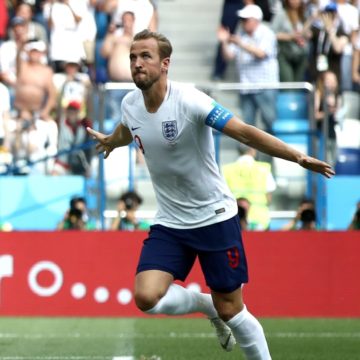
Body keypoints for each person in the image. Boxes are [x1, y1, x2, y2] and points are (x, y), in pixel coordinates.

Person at [87, 30, 334, 359]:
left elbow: (244, 131)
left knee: (233, 309)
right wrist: (111, 141)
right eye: (132, 57)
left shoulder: (191, 101)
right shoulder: (129, 103)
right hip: (171, 222)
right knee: (146, 297)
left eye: (145, 56)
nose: (136, 63)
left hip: (214, 217)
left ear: (165, 64)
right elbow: (127, 128)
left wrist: (297, 156)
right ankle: (205, 305)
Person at [218, 4, 279, 134]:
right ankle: (250, 153)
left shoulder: (266, 33)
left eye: (246, 19)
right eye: (242, 19)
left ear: (256, 20)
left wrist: (240, 43)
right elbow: (228, 56)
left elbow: (261, 54)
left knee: (269, 122)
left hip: (265, 86)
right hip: (246, 86)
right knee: (247, 126)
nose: (243, 22)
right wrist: (224, 42)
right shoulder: (242, 35)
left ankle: (271, 153)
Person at [222, 144, 276, 230]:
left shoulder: (226, 169)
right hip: (260, 220)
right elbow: (269, 197)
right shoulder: (263, 169)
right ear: (252, 150)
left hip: (235, 219)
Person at [52, 100, 93, 176]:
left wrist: (87, 166)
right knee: (54, 174)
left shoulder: (83, 126)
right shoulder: (60, 123)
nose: (72, 113)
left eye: (74, 111)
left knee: (87, 176)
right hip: (62, 163)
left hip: (77, 164)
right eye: (70, 111)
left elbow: (87, 149)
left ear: (78, 112)